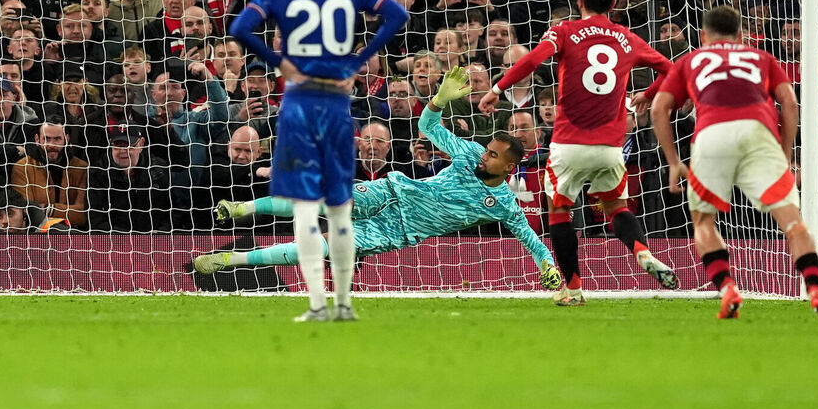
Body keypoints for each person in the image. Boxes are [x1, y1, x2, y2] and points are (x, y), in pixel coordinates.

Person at [198, 67, 562, 292]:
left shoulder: (504, 205)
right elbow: (428, 126)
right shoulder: (468, 153)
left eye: (493, 156)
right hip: (391, 191)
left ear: (508, 168)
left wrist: (549, 270)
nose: (485, 156)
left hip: (396, 232)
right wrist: (437, 100)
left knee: (319, 248)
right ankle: (241, 207)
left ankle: (231, 260)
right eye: (487, 150)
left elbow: (532, 241)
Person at [229, 0, 409, 322]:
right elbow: (397, 14)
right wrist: (358, 61)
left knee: (305, 209)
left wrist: (280, 63)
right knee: (341, 210)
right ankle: (344, 304)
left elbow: (239, 28)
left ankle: (316, 305)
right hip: (336, 104)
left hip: (298, 104)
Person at [478, 0, 674, 306]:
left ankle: (573, 288)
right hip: (610, 148)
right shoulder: (627, 38)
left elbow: (533, 59)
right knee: (616, 207)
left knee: (559, 210)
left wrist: (498, 89)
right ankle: (641, 251)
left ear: (579, 1)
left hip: (568, 143)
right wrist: (647, 94)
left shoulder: (564, 31)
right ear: (614, 4)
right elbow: (672, 69)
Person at [650, 5, 818, 321]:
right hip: (759, 133)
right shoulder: (761, 58)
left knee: (703, 222)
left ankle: (727, 288)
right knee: (792, 221)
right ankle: (816, 289)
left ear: (703, 36)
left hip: (711, 134)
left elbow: (660, 108)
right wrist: (785, 155)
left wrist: (674, 161)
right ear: (741, 36)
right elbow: (790, 104)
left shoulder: (692, 59)